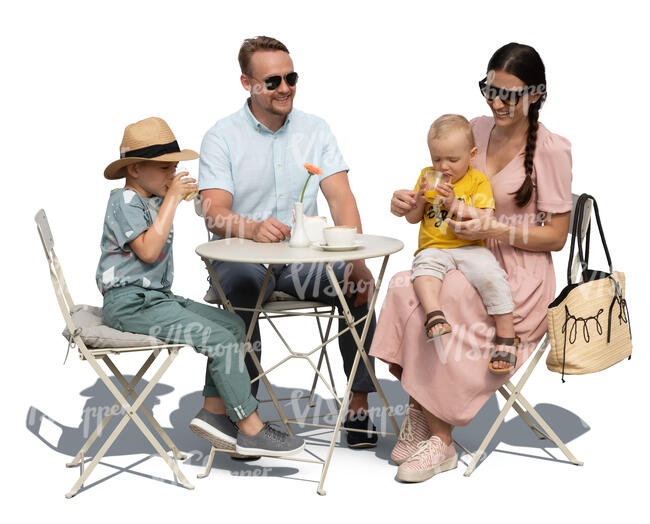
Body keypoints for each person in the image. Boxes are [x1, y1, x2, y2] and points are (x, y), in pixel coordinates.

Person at [370, 42, 572, 483]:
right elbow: (438, 189)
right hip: (461, 254)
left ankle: (439, 440)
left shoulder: (552, 150)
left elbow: (557, 237)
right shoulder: (473, 131)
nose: (496, 102)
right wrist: (409, 200)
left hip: (518, 272)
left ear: (535, 94)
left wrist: (496, 228)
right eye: (489, 89)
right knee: (407, 284)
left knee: (449, 293)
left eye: (509, 94)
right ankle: (423, 415)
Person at [198, 36, 379, 447]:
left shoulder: (316, 130)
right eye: (273, 80)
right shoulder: (222, 136)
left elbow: (340, 197)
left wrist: (358, 260)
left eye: (291, 77)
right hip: (242, 260)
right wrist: (251, 227)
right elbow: (212, 210)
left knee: (357, 284)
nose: (285, 88)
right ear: (247, 83)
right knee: (242, 290)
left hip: (302, 263)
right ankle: (245, 416)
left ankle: (359, 406)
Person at [98, 116, 304, 458]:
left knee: (232, 324)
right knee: (220, 338)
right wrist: (172, 201)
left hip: (155, 298)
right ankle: (250, 425)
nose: (172, 174)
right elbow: (148, 251)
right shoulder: (124, 201)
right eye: (164, 168)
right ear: (134, 169)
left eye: (174, 167)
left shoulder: (150, 201)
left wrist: (179, 201)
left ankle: (213, 414)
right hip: (130, 303)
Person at [407, 114, 518, 375]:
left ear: (472, 155)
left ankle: (506, 334)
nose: (443, 166)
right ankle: (435, 315)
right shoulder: (427, 176)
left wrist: (454, 204)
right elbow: (412, 218)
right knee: (422, 270)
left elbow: (486, 217)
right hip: (434, 248)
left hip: (471, 247)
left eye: (452, 160)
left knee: (491, 275)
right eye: (437, 159)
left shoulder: (477, 181)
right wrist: (420, 200)